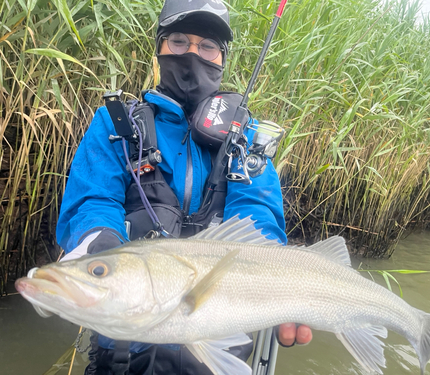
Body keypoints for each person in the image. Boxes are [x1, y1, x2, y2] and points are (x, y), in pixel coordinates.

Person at [56, 0, 312, 373]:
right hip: (125, 350)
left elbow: (257, 215)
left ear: (222, 59)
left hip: (217, 348)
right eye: (179, 41)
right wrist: (102, 253)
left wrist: (272, 281)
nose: (193, 54)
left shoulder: (247, 140)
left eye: (207, 46)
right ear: (159, 47)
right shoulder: (117, 124)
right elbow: (93, 200)